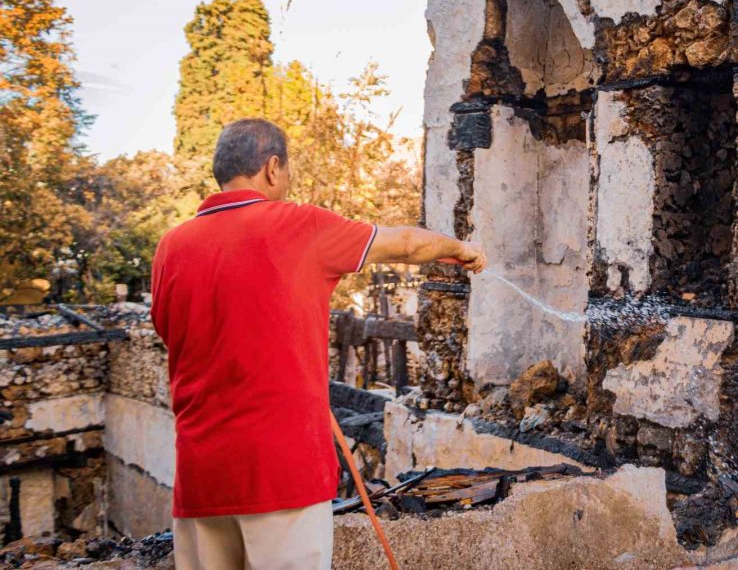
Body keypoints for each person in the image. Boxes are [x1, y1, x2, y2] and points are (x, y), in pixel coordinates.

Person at [150, 118, 487, 570]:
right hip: (282, 472)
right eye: (285, 173)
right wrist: (462, 249)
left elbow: (178, 334)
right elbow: (405, 244)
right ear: (272, 168)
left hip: (201, 476)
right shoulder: (297, 224)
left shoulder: (171, 247)